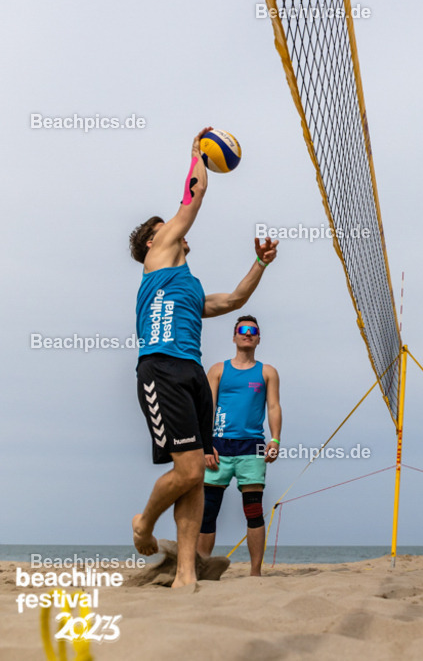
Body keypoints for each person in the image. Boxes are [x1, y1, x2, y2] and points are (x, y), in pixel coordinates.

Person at [128, 127, 279, 588]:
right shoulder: (158, 261)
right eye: (164, 229)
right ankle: (144, 522)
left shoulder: (188, 286)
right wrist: (197, 154)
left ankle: (187, 573)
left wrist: (262, 264)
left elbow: (233, 301)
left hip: (192, 373)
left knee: (194, 476)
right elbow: (191, 202)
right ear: (153, 244)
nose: (173, 230)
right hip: (160, 368)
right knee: (190, 468)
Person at [197, 316, 282, 577]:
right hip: (219, 446)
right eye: (242, 330)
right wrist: (205, 446)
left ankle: (255, 573)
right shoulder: (218, 370)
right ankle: (201, 569)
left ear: (258, 338)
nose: (248, 334)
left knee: (254, 510)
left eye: (253, 331)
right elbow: (206, 409)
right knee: (208, 511)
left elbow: (273, 406)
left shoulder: (267, 371)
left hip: (253, 446)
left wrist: (275, 439)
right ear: (234, 337)